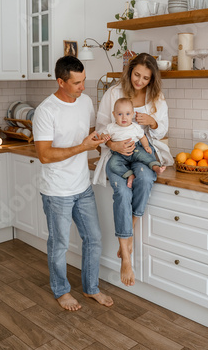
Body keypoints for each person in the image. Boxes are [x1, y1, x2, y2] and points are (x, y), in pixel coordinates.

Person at [33, 55, 113, 311]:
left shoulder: (85, 101)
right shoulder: (46, 111)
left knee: (94, 238)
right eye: (77, 83)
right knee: (59, 245)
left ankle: (91, 288)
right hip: (57, 191)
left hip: (83, 186)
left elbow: (90, 134)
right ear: (61, 81)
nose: (83, 87)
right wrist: (82, 147)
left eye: (84, 81)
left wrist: (107, 145)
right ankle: (61, 291)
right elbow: (45, 155)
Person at [93, 53, 173, 287]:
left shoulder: (156, 96)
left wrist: (153, 121)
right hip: (116, 153)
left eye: (146, 78)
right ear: (129, 72)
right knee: (122, 192)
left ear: (152, 79)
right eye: (136, 74)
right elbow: (100, 129)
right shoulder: (114, 93)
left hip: (142, 152)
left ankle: (129, 232)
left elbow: (162, 131)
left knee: (146, 177)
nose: (140, 81)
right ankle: (125, 256)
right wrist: (113, 144)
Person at [104, 97, 166, 188]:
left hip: (135, 149)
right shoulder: (111, 127)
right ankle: (129, 175)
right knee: (112, 164)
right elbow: (103, 136)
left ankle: (155, 166)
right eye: (120, 114)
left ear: (132, 114)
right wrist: (104, 137)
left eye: (128, 114)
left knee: (145, 156)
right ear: (114, 114)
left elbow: (142, 137)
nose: (124, 117)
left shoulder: (135, 127)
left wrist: (146, 146)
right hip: (118, 153)